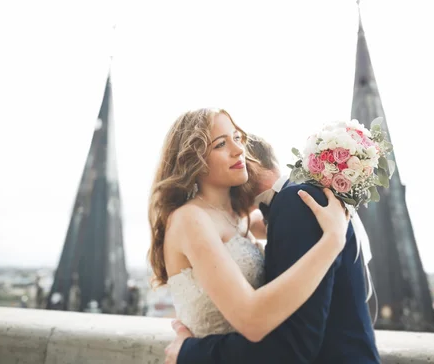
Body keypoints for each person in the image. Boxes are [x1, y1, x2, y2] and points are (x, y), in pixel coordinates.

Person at [164, 132, 381, 363]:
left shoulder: (297, 202)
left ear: (248, 166)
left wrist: (189, 353)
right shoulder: (296, 199)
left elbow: (293, 342)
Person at [148, 108, 349, 343]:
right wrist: (334, 241)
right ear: (193, 160)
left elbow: (286, 226)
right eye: (220, 144)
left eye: (236, 138)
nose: (238, 150)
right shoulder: (190, 219)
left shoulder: (239, 218)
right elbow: (251, 320)